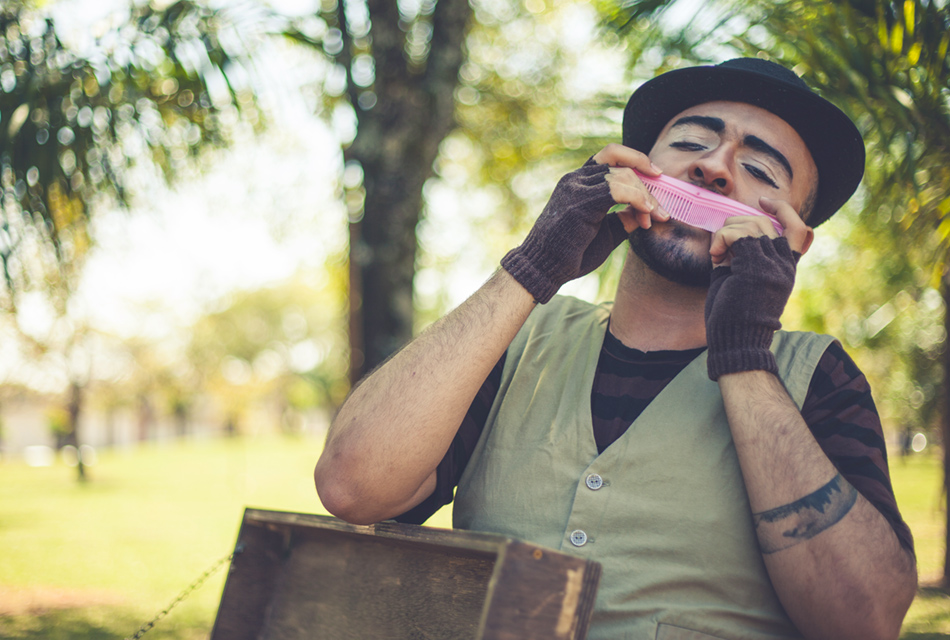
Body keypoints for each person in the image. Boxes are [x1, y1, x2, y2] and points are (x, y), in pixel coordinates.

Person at [314, 58, 917, 639]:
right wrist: (532, 267)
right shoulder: (517, 342)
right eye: (690, 143)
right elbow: (353, 488)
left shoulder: (820, 378)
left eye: (760, 170)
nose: (714, 168)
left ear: (791, 237)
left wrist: (744, 350)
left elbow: (862, 621)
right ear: (637, 168)